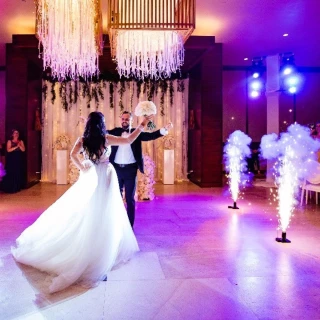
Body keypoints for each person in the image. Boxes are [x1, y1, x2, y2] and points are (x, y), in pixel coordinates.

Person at [12, 112, 150, 293]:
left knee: (91, 212)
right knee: (105, 215)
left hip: (91, 175)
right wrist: (141, 125)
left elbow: (72, 154)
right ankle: (99, 261)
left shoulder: (84, 139)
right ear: (102, 124)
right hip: (106, 176)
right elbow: (128, 140)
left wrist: (82, 166)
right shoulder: (106, 138)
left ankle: (95, 254)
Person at [108, 111, 173, 227]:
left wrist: (164, 129)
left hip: (130, 170)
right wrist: (88, 123)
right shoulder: (115, 132)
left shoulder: (136, 133)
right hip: (116, 169)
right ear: (120, 120)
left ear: (132, 121)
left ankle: (129, 226)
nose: (124, 121)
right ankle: (116, 225)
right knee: (115, 198)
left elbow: (151, 135)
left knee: (130, 199)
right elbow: (101, 133)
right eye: (123, 119)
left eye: (127, 119)